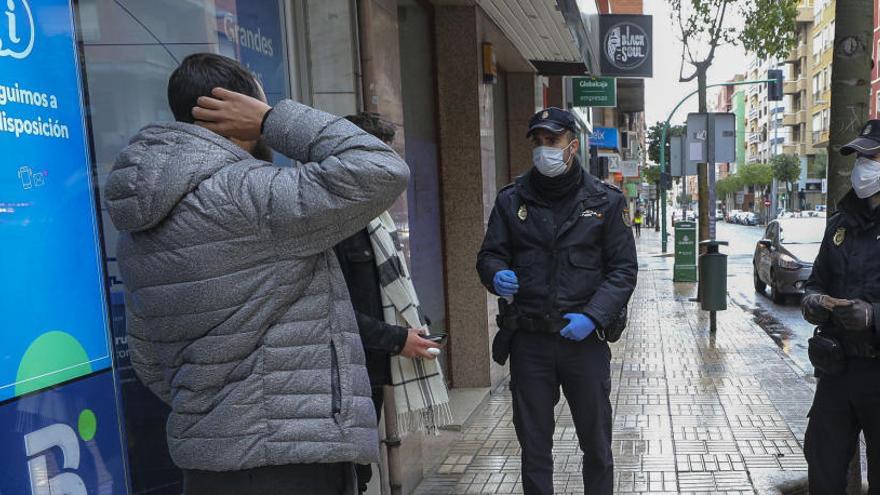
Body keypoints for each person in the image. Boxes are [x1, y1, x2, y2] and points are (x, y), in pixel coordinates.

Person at [104, 53, 410, 495]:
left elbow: (150, 360)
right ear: (237, 111)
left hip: (207, 467)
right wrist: (272, 119)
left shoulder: (137, 230)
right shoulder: (248, 195)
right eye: (258, 106)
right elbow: (381, 169)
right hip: (291, 462)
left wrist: (224, 415)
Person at [476, 107, 638, 494]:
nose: (545, 148)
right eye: (540, 141)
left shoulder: (605, 201)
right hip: (530, 341)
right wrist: (494, 274)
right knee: (534, 449)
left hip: (583, 343)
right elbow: (490, 254)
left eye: (553, 141)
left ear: (573, 145)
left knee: (596, 445)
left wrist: (594, 317)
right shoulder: (511, 200)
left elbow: (623, 271)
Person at [334, 112, 446, 493]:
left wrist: (414, 327)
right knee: (348, 477)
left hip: (370, 370)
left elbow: (390, 292)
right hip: (339, 380)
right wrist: (398, 339)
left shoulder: (375, 219)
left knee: (360, 472)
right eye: (379, 158)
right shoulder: (331, 222)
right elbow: (332, 313)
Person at [802, 119, 880, 493]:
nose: (863, 165)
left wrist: (873, 314)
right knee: (823, 464)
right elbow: (816, 282)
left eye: (873, 156)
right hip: (837, 370)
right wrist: (814, 301)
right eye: (860, 157)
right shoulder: (840, 222)